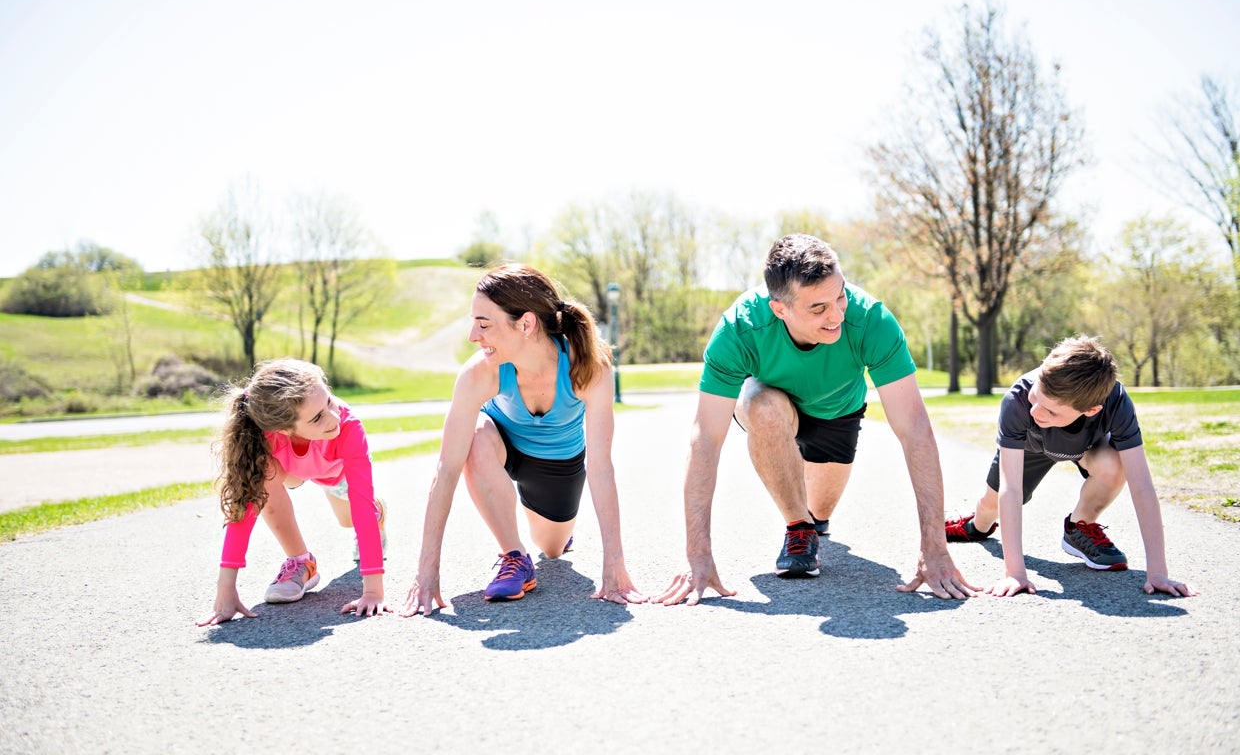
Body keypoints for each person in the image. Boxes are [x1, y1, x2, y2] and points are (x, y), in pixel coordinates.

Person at [653, 233, 976, 606]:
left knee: (819, 515)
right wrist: (697, 555)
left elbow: (914, 428)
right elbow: (705, 437)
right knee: (763, 407)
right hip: (773, 406)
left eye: (840, 296)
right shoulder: (740, 328)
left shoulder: (870, 319)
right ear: (780, 309)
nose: (837, 314)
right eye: (818, 308)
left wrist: (934, 547)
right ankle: (798, 525)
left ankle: (812, 521)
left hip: (837, 413)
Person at [401, 263, 646, 615]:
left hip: (557, 461)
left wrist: (615, 564)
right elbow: (447, 468)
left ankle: (554, 535)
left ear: (526, 323)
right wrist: (426, 574)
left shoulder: (589, 367)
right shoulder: (478, 374)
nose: (473, 335)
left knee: (552, 549)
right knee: (475, 437)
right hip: (498, 445)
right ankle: (515, 556)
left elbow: (601, 465)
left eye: (483, 324)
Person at [944, 335, 1198, 597]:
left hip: (1087, 446)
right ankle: (976, 526)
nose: (1036, 412)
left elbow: (1142, 486)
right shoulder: (1018, 401)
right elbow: (1010, 488)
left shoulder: (1116, 402)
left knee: (1115, 466)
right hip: (1031, 447)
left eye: (1051, 411)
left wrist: (1158, 572)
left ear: (1091, 410)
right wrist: (1015, 573)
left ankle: (1079, 526)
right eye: (1036, 397)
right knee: (991, 504)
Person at [196, 358, 390, 626]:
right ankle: (302, 562)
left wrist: (372, 591)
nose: (334, 416)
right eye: (317, 416)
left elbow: (360, 501)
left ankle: (379, 515)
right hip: (292, 471)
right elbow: (245, 506)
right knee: (261, 476)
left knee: (352, 518)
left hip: (337, 474)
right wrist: (225, 588)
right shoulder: (263, 436)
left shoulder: (347, 427)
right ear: (282, 429)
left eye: (330, 401)